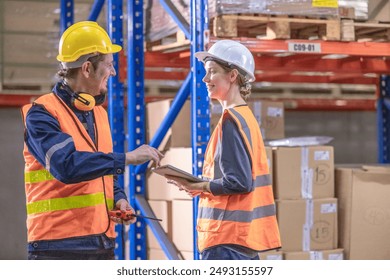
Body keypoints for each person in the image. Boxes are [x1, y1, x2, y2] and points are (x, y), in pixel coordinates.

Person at [21, 21, 164, 260]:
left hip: (101, 243)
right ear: (87, 68)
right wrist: (128, 158)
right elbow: (65, 166)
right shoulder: (42, 114)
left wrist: (119, 199)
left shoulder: (97, 112)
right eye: (109, 65)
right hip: (57, 247)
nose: (114, 72)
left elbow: (103, 172)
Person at [166, 40, 282, 260]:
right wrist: (200, 187)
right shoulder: (245, 118)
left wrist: (197, 184)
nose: (205, 79)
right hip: (241, 240)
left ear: (232, 75)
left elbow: (239, 181)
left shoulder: (231, 121)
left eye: (212, 72)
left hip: (226, 242)